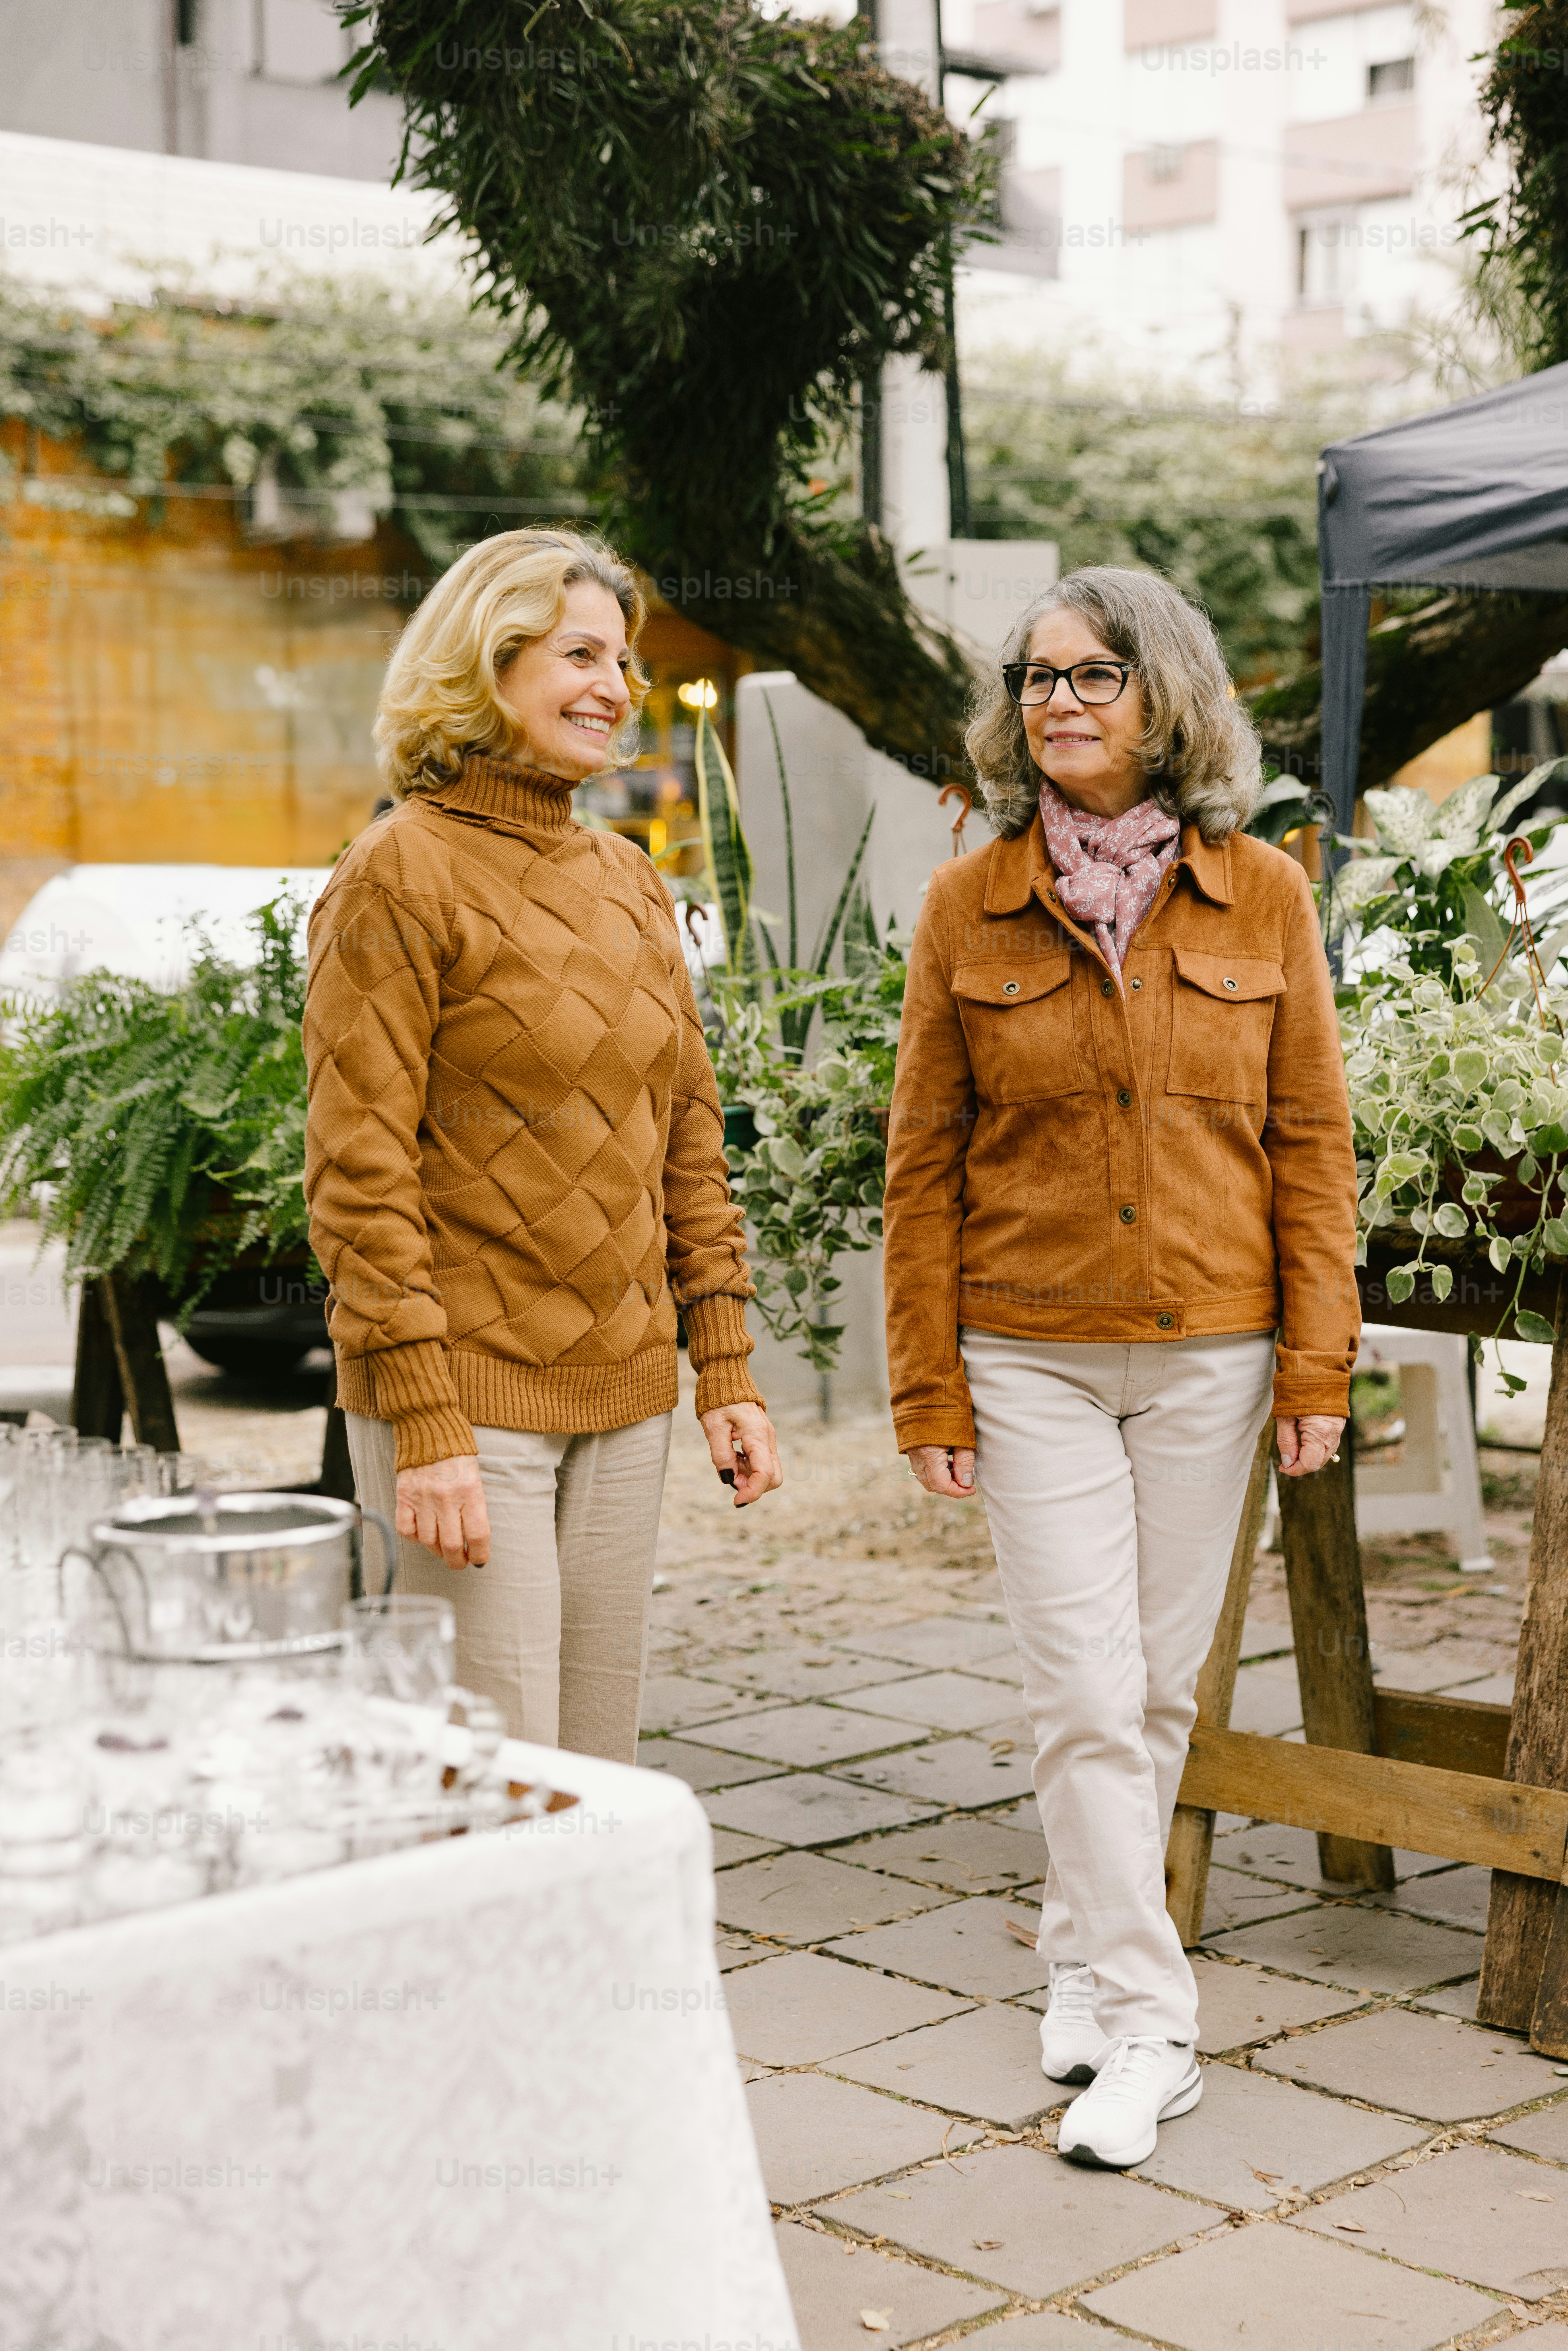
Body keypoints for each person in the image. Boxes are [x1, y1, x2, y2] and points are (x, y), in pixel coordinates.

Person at [882, 565, 1357, 2170]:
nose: (1059, 702)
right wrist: (925, 1388)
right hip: (1026, 1354)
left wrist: (1316, 1366)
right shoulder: (967, 904)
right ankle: (1157, 2027)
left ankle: (1084, 1956)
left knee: (1150, 1694)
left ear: (1164, 698)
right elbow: (918, 1167)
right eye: (1035, 678)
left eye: (1093, 676)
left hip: (1216, 1351)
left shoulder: (1264, 896)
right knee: (1080, 1686)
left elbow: (1310, 1145)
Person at [302, 527, 781, 1761]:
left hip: (628, 1396)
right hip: (467, 1399)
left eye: (621, 660)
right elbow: (360, 1174)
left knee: (597, 1775)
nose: (614, 687)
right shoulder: (396, 873)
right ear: (485, 662)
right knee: (492, 1777)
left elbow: (687, 1135)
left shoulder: (629, 881)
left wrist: (722, 1362)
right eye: (579, 653)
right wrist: (423, 1419)